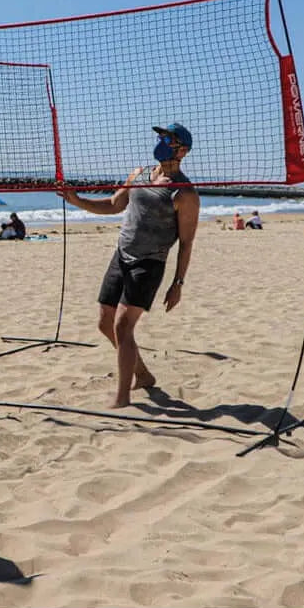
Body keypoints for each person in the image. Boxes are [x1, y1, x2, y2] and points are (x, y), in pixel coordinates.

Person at [60, 123, 200, 409]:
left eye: (169, 140)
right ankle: (144, 374)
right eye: (160, 137)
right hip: (121, 255)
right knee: (104, 323)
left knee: (123, 327)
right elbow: (113, 204)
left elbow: (186, 243)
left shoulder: (184, 194)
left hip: (149, 263)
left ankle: (122, 398)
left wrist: (178, 283)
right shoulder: (139, 174)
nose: (161, 142)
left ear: (183, 151)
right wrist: (77, 201)